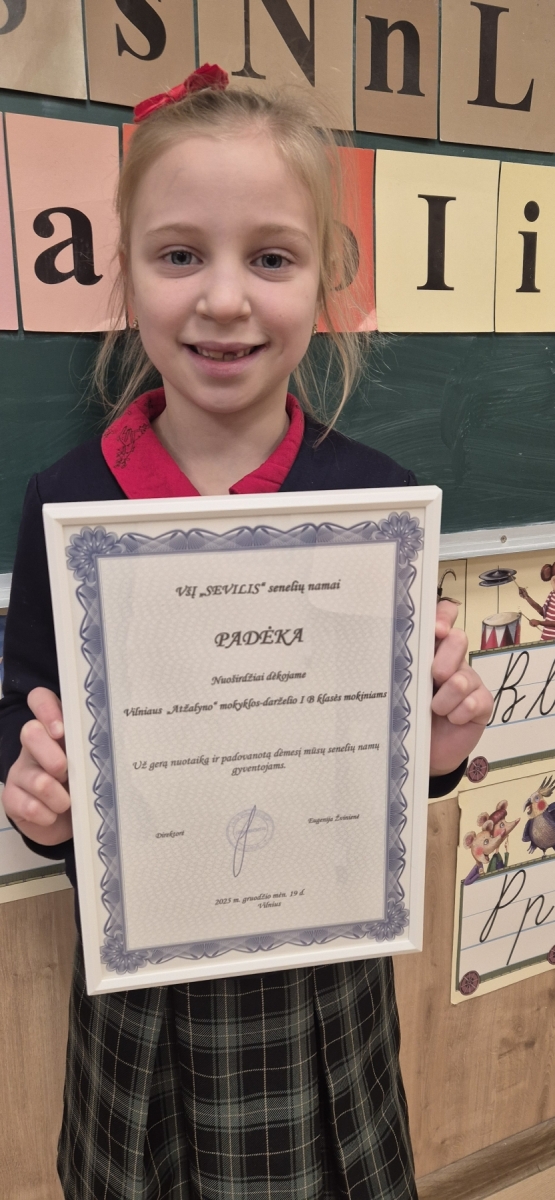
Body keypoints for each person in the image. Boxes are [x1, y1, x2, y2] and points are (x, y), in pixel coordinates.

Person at [0, 66, 493, 1200]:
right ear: (125, 275)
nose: (224, 300)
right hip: (141, 989)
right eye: (180, 255)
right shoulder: (69, 502)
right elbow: (25, 709)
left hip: (322, 987)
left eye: (271, 259)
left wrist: (437, 754)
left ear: (326, 281)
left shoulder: (374, 505)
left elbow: (387, 757)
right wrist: (37, 795)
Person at [518, 562, 555, 641]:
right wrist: (527, 597)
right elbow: (543, 612)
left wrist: (540, 622)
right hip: (546, 639)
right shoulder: (552, 594)